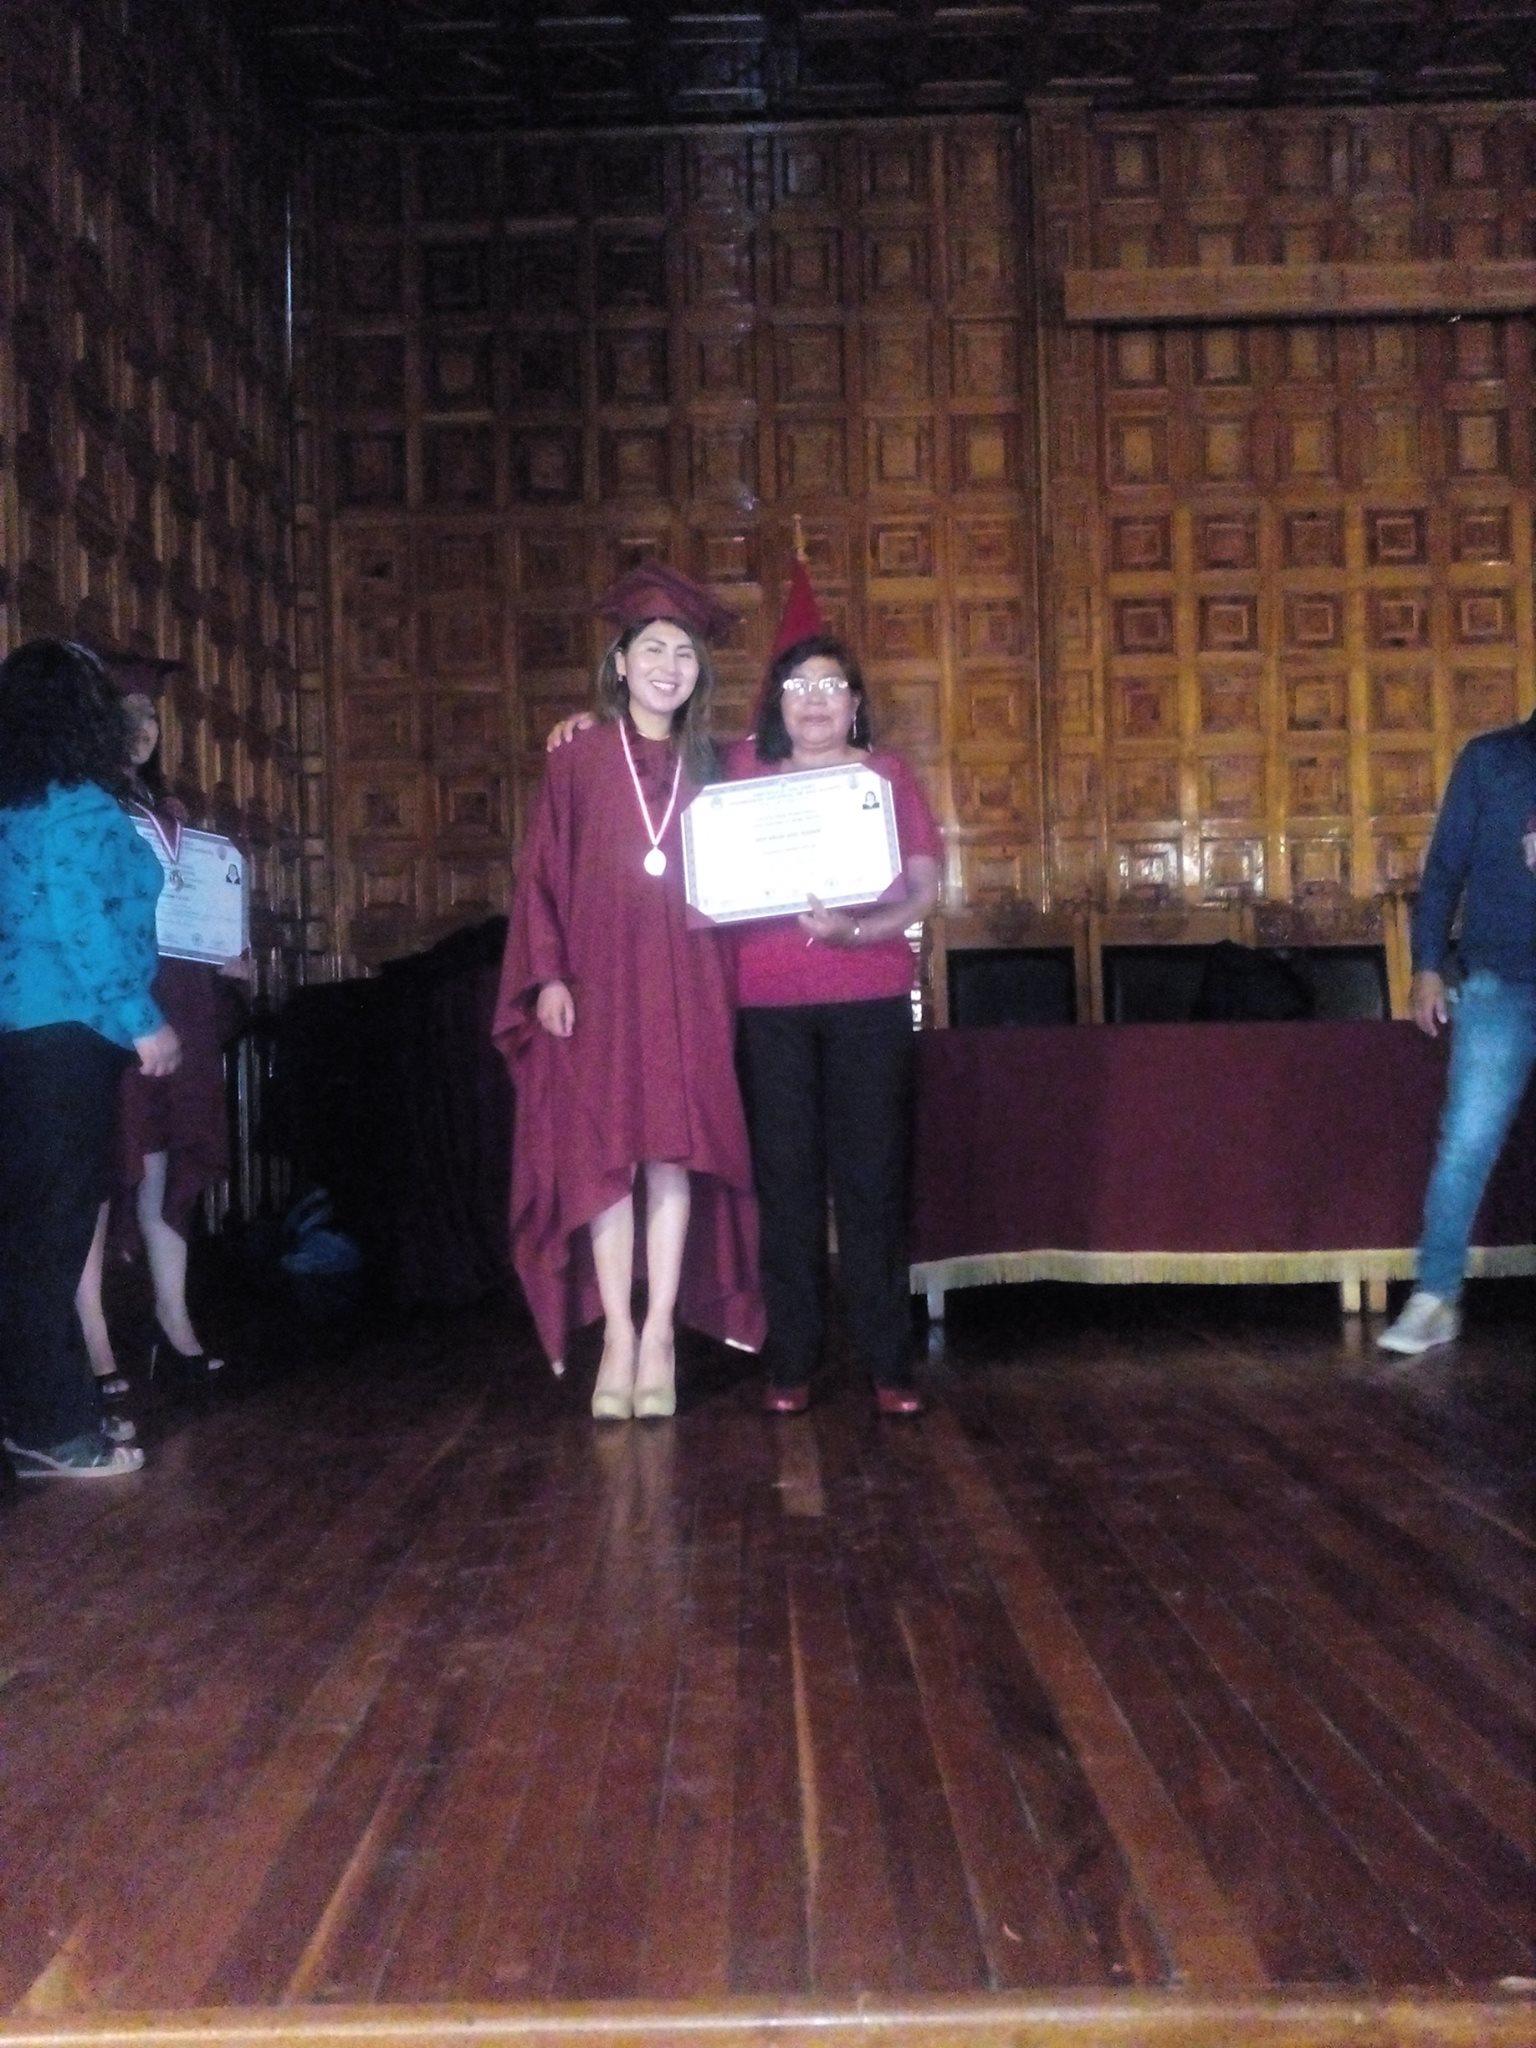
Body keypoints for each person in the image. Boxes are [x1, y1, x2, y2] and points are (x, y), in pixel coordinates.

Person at [492, 564, 764, 1420]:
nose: (668, 667)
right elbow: (542, 873)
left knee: (673, 1153)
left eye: (684, 653)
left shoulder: (718, 764)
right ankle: (615, 1333)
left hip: (691, 980)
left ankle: (659, 1337)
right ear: (619, 664)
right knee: (606, 1158)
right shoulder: (577, 758)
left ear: (699, 673)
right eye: (652, 650)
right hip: (599, 982)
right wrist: (546, 975)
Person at [729, 635, 941, 1415]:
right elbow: (655, 741)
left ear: (854, 702)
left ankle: (889, 1361)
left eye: (829, 685)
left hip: (869, 997)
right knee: (784, 1184)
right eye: (797, 685)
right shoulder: (741, 774)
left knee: (872, 1180)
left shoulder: (888, 776)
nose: (813, 699)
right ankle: (792, 1359)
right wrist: (592, 720)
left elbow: (924, 889)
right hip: (768, 1006)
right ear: (776, 703)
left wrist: (859, 932)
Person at [0, 638, 179, 1479]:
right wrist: (141, 1020)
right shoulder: (74, 803)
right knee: (51, 1238)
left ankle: (42, 1414)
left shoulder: (17, 802)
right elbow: (83, 924)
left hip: (21, 1032)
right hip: (67, 1030)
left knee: (29, 1233)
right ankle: (53, 1429)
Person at [74, 662, 249, 1396]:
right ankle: (94, 1342)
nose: (142, 730)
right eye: (128, 714)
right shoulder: (79, 810)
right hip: (111, 1010)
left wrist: (229, 951)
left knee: (169, 1162)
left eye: (151, 717)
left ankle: (175, 1323)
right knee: (106, 1168)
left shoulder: (171, 815)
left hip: (181, 1002)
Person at [1378, 707, 1536, 1355]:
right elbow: (1444, 869)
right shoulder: (1490, 759)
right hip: (1498, 980)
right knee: (1467, 1141)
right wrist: (1426, 967)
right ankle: (1435, 1296)